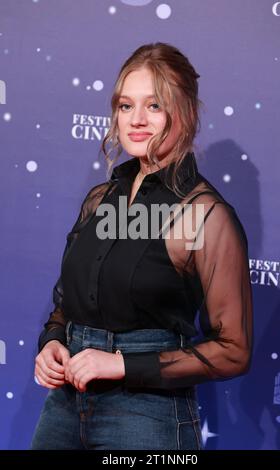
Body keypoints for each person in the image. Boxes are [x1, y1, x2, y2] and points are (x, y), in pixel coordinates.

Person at [31, 42, 253, 450]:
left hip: (146, 414)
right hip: (63, 406)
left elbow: (233, 350)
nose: (135, 120)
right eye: (125, 105)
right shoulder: (100, 198)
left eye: (154, 106)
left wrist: (120, 363)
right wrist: (53, 343)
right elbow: (70, 301)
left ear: (184, 113)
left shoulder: (204, 214)